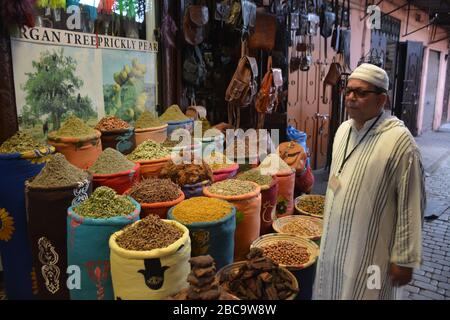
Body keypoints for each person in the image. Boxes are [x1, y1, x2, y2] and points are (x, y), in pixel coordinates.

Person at [313, 63, 426, 300]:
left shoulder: (399, 142)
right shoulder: (343, 130)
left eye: (361, 93)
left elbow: (412, 203)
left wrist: (404, 259)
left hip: (371, 247)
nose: (351, 97)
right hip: (335, 239)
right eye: (349, 91)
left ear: (381, 100)